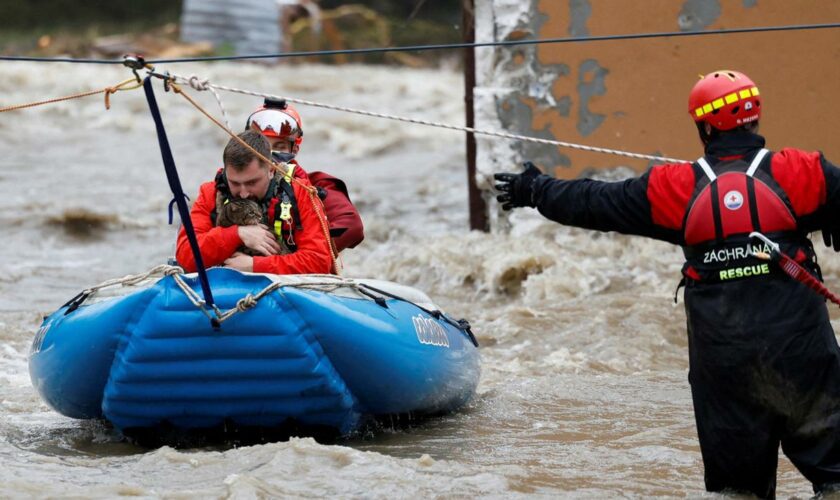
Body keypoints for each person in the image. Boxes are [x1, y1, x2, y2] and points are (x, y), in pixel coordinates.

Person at [494, 69, 840, 498]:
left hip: (725, 367)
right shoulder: (806, 171)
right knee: (835, 478)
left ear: (707, 126)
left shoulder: (672, 188)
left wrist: (534, 189)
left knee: (737, 491)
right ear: (755, 117)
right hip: (803, 356)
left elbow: (595, 202)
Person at [175, 130, 334, 275]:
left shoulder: (301, 193)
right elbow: (186, 256)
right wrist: (236, 234)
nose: (243, 193)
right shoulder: (210, 193)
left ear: (271, 170)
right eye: (235, 183)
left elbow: (319, 262)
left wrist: (255, 265)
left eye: (252, 183)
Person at [245, 98, 364, 254]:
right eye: (263, 146)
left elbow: (352, 227)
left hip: (294, 270)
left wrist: (304, 255)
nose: (269, 156)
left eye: (279, 146)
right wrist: (234, 235)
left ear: (294, 149)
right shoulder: (232, 182)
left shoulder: (317, 185)